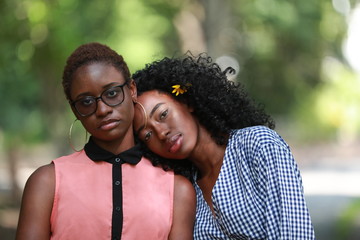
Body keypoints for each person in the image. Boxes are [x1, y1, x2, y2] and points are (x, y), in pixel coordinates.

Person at [16, 42, 196, 240]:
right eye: (86, 102)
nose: (102, 110)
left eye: (111, 93)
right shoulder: (46, 182)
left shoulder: (177, 189)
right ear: (75, 109)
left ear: (132, 89)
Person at [132, 53, 316, 239]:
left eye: (163, 115)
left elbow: (295, 234)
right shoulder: (183, 190)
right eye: (147, 135)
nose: (161, 133)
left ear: (186, 102)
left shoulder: (258, 145)